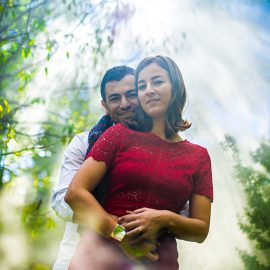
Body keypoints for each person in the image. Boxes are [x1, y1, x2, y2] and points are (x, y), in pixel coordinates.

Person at [65, 55, 213, 269]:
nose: (149, 90)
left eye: (157, 82)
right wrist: (121, 236)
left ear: (176, 86)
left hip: (159, 262)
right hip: (99, 258)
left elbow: (200, 230)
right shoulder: (118, 134)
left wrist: (165, 219)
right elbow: (75, 194)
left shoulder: (199, 156)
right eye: (142, 86)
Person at [51, 66, 144, 269]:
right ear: (105, 105)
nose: (125, 104)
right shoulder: (85, 143)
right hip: (76, 255)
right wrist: (112, 228)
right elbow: (61, 201)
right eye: (115, 98)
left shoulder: (160, 144)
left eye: (131, 95)